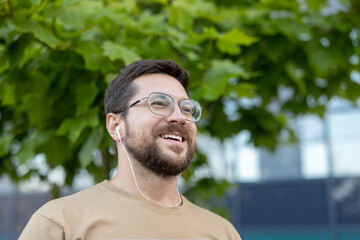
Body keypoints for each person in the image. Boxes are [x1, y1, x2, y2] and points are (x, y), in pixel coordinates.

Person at [19, 59, 241, 240]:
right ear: (116, 125)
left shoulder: (222, 233)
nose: (179, 117)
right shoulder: (60, 223)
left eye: (187, 108)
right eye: (159, 103)